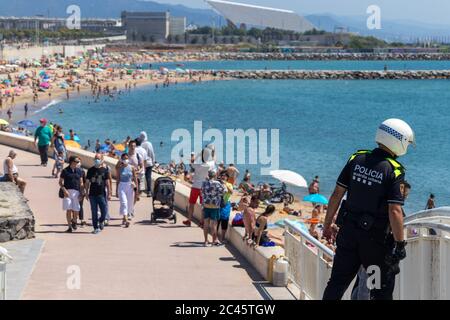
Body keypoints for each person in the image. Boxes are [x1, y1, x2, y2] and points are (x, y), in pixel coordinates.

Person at [322, 118, 415, 300]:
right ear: (400, 141)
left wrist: (327, 224)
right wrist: (400, 244)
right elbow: (394, 210)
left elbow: (336, 194)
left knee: (337, 283)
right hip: (375, 244)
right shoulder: (394, 170)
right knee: (379, 290)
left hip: (348, 234)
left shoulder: (356, 158)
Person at [183, 147, 216, 227]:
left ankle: (189, 220)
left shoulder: (197, 164)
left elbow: (192, 161)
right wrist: (214, 152)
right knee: (203, 206)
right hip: (204, 187)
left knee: (191, 204)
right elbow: (214, 160)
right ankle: (201, 222)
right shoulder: (209, 165)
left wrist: (197, 154)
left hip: (195, 186)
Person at [85, 153, 111, 234]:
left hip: (101, 194)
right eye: (95, 158)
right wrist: (86, 192)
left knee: (104, 211)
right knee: (94, 211)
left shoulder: (104, 170)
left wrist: (109, 193)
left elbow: (107, 182)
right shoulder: (90, 170)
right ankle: (95, 227)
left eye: (98, 158)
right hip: (92, 194)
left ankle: (101, 220)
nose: (97, 160)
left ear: (102, 159)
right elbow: (87, 182)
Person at [60, 156, 85, 233]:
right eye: (76, 162)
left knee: (76, 209)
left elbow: (81, 183)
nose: (77, 163)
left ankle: (74, 221)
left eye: (78, 162)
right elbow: (60, 182)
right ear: (71, 162)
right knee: (69, 210)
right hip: (67, 192)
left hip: (76, 192)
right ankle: (69, 227)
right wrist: (64, 190)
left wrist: (82, 193)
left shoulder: (79, 171)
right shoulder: (65, 171)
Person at [201, 170, 225, 247]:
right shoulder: (217, 183)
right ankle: (213, 241)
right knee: (214, 224)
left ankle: (205, 241)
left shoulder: (204, 183)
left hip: (206, 205)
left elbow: (202, 192)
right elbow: (224, 191)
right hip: (215, 206)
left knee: (206, 224)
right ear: (214, 176)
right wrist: (223, 184)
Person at [116, 153, 138, 228]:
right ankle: (125, 219)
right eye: (124, 158)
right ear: (122, 159)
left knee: (130, 203)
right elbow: (118, 179)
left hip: (130, 186)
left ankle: (125, 216)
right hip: (122, 186)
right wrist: (116, 190)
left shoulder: (132, 167)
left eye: (126, 158)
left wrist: (136, 189)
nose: (126, 160)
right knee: (124, 202)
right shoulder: (119, 168)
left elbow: (135, 178)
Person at [217, 171, 234, 243]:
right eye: (222, 175)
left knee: (224, 221)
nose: (223, 177)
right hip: (217, 204)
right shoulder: (217, 183)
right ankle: (215, 238)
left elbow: (231, 192)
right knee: (216, 221)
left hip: (226, 204)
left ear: (227, 177)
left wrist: (225, 184)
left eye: (225, 176)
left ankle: (222, 238)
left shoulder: (229, 184)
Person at [139, 131, 156, 197]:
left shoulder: (140, 144)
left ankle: (140, 190)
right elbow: (152, 153)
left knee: (141, 176)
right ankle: (149, 191)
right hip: (149, 163)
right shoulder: (149, 144)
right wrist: (153, 161)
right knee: (148, 177)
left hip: (142, 162)